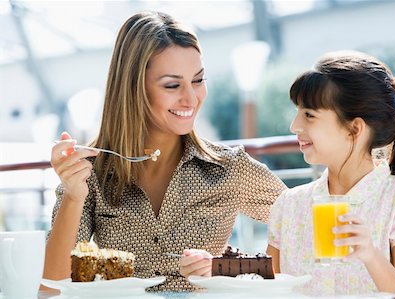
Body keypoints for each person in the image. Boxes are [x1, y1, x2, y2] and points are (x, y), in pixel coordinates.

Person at [44, 11, 287, 291]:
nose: (191, 98)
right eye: (172, 85)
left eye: (198, 80)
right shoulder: (90, 173)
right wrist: (74, 196)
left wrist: (223, 269)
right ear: (133, 88)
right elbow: (52, 288)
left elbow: (303, 226)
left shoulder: (229, 168)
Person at [267, 51, 395, 298]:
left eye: (309, 115)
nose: (294, 126)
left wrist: (370, 254)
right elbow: (267, 290)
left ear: (354, 128)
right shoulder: (289, 205)